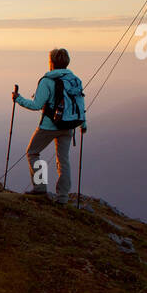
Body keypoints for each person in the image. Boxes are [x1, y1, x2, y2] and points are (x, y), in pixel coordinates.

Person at [12, 47, 87, 204]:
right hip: (69, 126)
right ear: (66, 63)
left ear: (51, 63)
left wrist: (18, 99)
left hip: (49, 126)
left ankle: (40, 188)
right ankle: (62, 198)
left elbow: (36, 105)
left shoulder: (47, 81)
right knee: (63, 160)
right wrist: (83, 123)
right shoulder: (75, 80)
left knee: (33, 152)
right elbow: (79, 103)